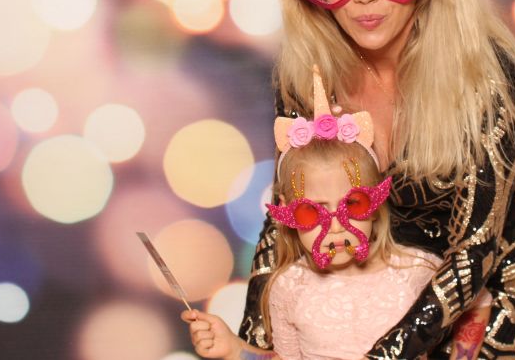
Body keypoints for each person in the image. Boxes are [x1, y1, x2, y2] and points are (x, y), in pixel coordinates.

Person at [239, 0, 515, 359]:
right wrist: (252, 344)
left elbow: (477, 246)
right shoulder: (306, 79)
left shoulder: (482, 71)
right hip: (387, 269)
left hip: (500, 267)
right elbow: (287, 212)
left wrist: (384, 355)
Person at [183, 68, 487, 359]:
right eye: (311, 212)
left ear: (375, 202)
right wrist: (235, 350)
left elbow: (477, 299)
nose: (336, 227)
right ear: (288, 213)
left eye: (352, 205)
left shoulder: (417, 270)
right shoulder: (289, 286)